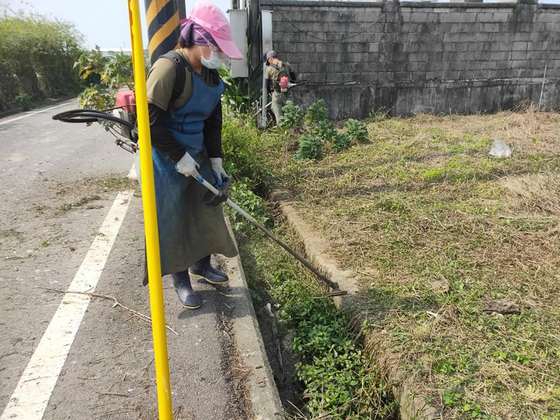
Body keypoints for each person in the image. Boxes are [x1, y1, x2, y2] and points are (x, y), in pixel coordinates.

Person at [145, 1, 242, 309]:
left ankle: (202, 264)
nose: (220, 55)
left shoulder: (212, 77)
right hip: (165, 156)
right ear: (200, 40)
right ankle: (181, 279)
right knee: (173, 217)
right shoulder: (168, 69)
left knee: (206, 207)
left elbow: (213, 121)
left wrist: (215, 159)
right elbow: (149, 123)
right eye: (217, 47)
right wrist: (178, 158)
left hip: (197, 151)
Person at [265, 50, 296, 126]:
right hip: (288, 94)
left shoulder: (269, 69)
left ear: (270, 58)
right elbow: (294, 78)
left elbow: (267, 85)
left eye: (268, 60)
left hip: (277, 94)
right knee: (290, 114)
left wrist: (270, 92)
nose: (268, 62)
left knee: (279, 116)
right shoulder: (287, 65)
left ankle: (282, 131)